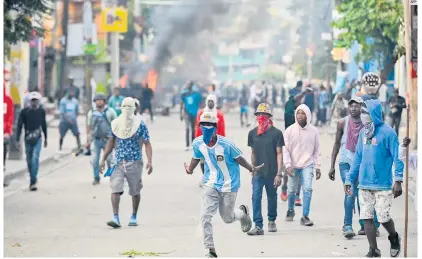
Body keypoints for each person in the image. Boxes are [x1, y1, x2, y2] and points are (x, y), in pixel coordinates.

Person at [184, 111, 262, 258]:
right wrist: (190, 169)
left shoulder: (226, 145)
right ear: (200, 126)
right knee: (205, 217)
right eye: (203, 125)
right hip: (211, 184)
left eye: (209, 125)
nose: (206, 127)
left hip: (229, 185)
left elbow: (239, 159)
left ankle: (242, 213)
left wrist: (251, 168)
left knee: (227, 218)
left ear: (215, 127)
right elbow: (196, 157)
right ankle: (210, 250)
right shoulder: (198, 143)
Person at [345, 99, 403, 257]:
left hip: (383, 184)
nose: (363, 116)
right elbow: (358, 158)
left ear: (374, 114)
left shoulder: (388, 132)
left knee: (383, 217)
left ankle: (394, 237)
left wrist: (398, 180)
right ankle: (373, 249)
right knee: (366, 218)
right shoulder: (364, 132)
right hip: (364, 183)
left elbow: (398, 157)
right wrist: (349, 179)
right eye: (362, 112)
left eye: (366, 112)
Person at [328, 96, 381, 238]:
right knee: (350, 192)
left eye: (356, 106)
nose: (353, 108)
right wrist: (332, 165)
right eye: (351, 106)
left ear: (361, 107)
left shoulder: (368, 124)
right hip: (346, 161)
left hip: (363, 162)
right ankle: (347, 226)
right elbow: (337, 144)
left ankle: (367, 225)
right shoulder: (342, 123)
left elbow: (373, 145)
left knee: (363, 194)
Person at [100, 97, 153, 228]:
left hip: (135, 161)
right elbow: (111, 142)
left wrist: (150, 161)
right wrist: (103, 159)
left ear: (134, 109)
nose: (127, 110)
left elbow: (147, 143)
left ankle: (134, 216)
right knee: (115, 188)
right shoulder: (116, 124)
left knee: (135, 190)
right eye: (125, 107)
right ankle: (115, 217)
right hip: (118, 161)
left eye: (129, 107)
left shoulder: (140, 125)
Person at [247, 103, 284, 235]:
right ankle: (258, 225)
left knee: (272, 197)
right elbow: (253, 153)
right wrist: (253, 169)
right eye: (259, 115)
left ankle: (271, 220)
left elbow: (279, 153)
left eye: (264, 115)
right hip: (258, 173)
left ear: (269, 117)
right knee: (256, 197)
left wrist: (279, 174)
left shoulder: (277, 133)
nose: (261, 117)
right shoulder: (252, 134)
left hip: (272, 172)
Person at [283, 104, 321, 226]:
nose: (300, 115)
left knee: (308, 189)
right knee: (292, 189)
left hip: (308, 164)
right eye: (298, 113)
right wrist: (288, 165)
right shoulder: (289, 131)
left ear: (307, 115)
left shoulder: (314, 131)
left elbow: (317, 150)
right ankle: (290, 210)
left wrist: (318, 166)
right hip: (293, 164)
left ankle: (305, 215)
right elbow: (285, 150)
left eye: (303, 113)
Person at [281, 81, 312, 205]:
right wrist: (304, 92)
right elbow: (295, 98)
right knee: (287, 169)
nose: (301, 101)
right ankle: (284, 187)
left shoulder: (303, 112)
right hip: (289, 143)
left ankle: (297, 196)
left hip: (301, 144)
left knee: (299, 170)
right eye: (299, 99)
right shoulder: (289, 107)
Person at [16, 92, 47, 191]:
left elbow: (44, 125)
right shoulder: (24, 112)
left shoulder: (41, 111)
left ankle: (33, 182)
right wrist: (17, 139)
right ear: (29, 101)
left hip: (38, 138)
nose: (34, 102)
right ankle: (32, 177)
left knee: (35, 158)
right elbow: (19, 125)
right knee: (29, 160)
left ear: (38, 101)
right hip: (28, 139)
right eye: (32, 100)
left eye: (36, 100)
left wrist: (46, 138)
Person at [86, 93, 118, 185]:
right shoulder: (91, 112)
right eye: (97, 100)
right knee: (95, 160)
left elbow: (116, 125)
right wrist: (87, 140)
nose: (99, 102)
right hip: (96, 140)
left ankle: (112, 177)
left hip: (108, 140)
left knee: (109, 160)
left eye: (101, 100)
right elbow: (89, 126)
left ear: (104, 101)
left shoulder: (110, 112)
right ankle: (96, 178)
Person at [195, 94, 226, 179]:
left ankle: (214, 176)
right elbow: (198, 127)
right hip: (203, 141)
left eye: (212, 101)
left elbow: (222, 128)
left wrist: (222, 141)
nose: (210, 103)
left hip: (216, 141)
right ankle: (205, 176)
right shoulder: (201, 113)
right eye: (209, 101)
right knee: (202, 159)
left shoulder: (219, 114)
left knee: (215, 160)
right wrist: (198, 140)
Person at [59, 89, 82, 154]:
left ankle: (79, 146)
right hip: (64, 121)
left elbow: (77, 111)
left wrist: (74, 118)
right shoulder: (63, 101)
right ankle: (60, 147)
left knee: (77, 134)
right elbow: (62, 112)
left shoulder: (75, 101)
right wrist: (68, 120)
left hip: (73, 121)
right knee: (62, 135)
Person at [180, 81, 202, 151]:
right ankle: (187, 145)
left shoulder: (196, 94)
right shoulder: (184, 94)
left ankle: (193, 144)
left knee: (193, 129)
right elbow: (182, 103)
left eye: (189, 84)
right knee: (187, 129)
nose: (188, 86)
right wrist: (181, 114)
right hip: (187, 113)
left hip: (194, 113)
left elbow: (200, 103)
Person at [3, 87, 14, 175]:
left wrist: (7, 127)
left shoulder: (8, 100)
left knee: (4, 145)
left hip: (5, 129)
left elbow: (10, 115)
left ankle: (3, 164)